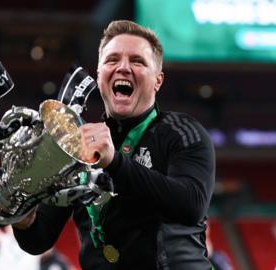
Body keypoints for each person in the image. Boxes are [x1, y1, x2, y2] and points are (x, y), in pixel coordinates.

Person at [12, 20, 215, 269]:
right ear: (99, 75)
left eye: (137, 61)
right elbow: (38, 239)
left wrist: (114, 163)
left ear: (157, 80)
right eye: (112, 60)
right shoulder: (75, 145)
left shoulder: (182, 132)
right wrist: (23, 216)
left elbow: (191, 204)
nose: (123, 68)